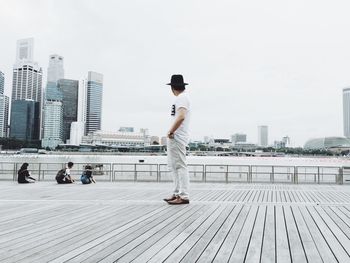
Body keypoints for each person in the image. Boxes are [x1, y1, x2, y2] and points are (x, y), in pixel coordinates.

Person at [163, 74, 191, 205]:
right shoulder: (182, 98)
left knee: (180, 166)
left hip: (177, 136)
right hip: (176, 136)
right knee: (173, 166)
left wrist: (171, 131)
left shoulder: (182, 98)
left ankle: (183, 195)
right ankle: (176, 192)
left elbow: (181, 117)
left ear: (172, 87)